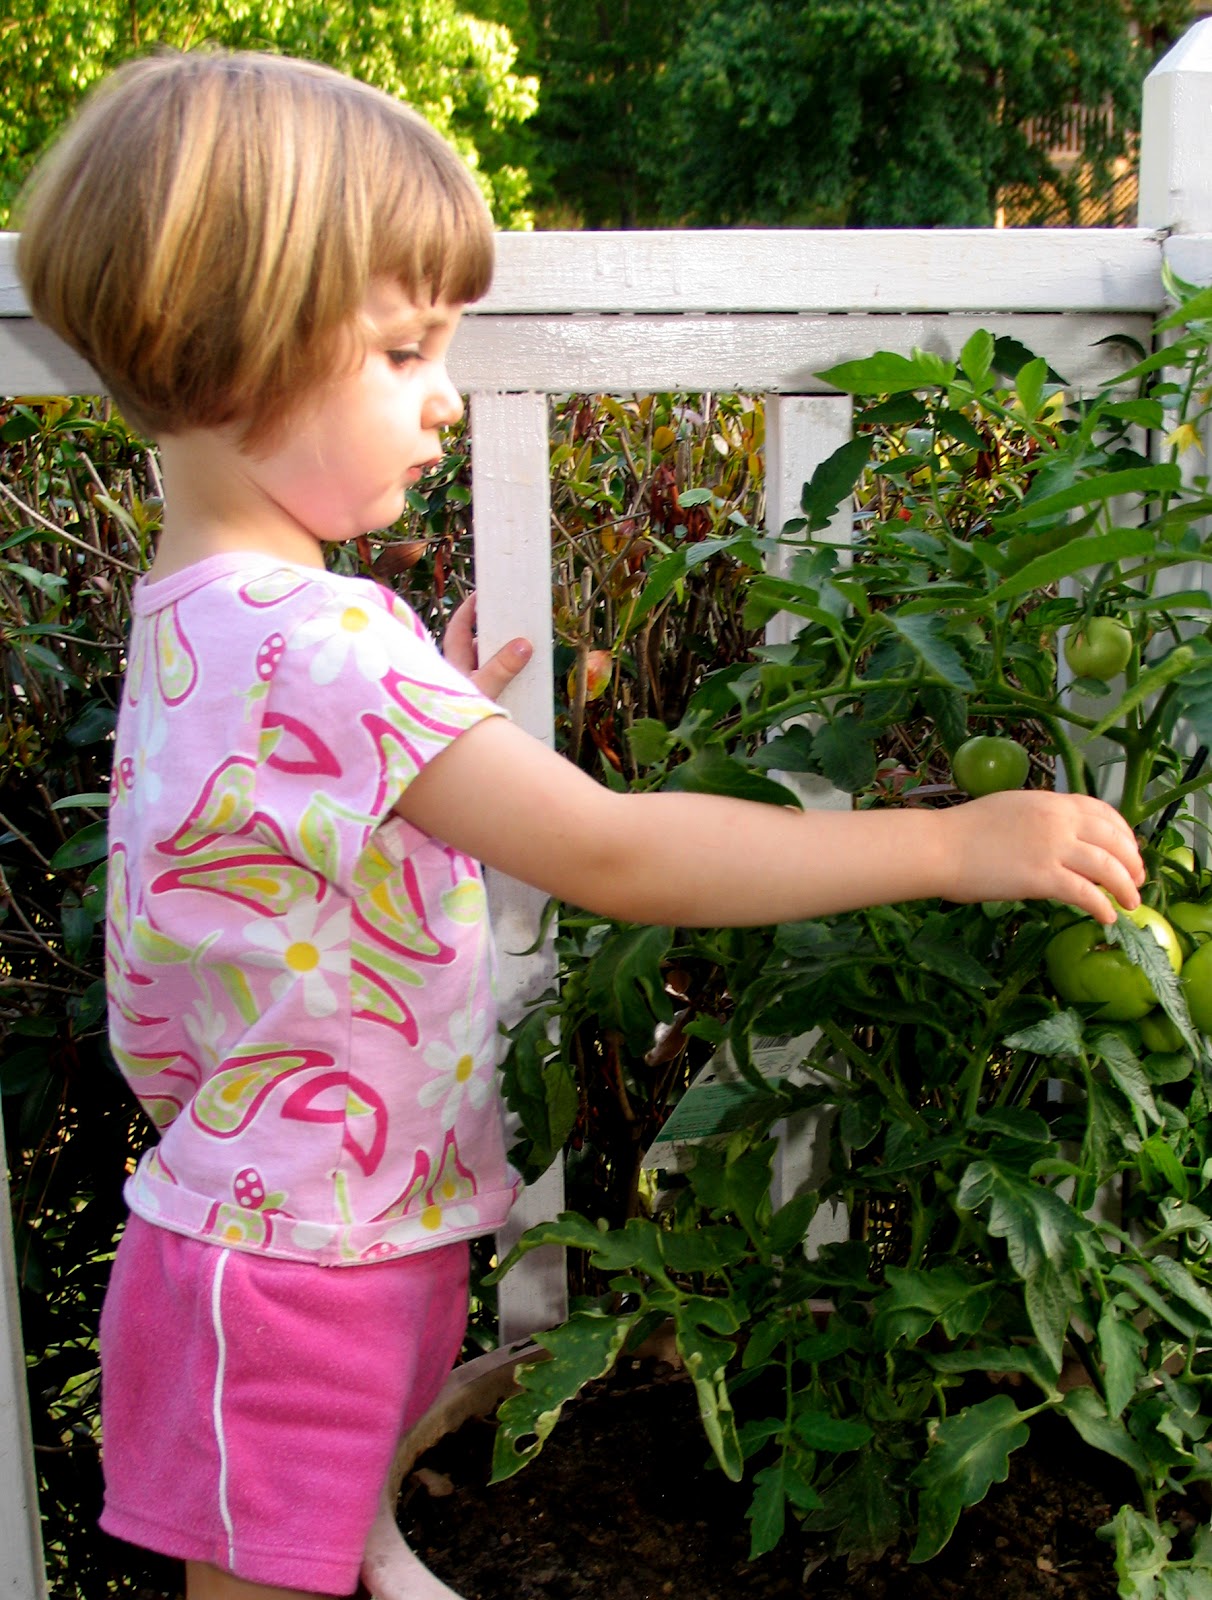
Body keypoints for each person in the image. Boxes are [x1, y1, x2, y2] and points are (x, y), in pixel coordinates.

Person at [16, 48, 1145, 1600]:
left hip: (301, 1236)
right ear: (232, 352)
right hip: (295, 1279)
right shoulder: (325, 647)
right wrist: (952, 845)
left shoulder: (208, 619)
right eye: (406, 349)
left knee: (322, 1548)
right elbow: (613, 854)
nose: (447, 394)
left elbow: (275, 847)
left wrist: (429, 704)